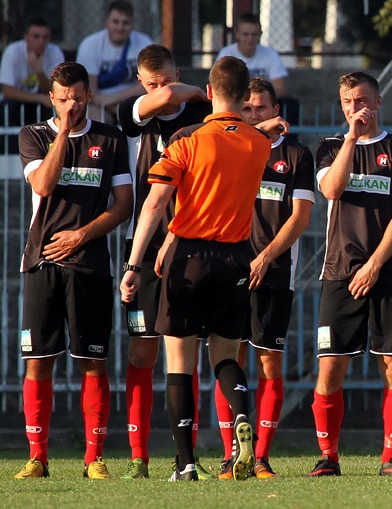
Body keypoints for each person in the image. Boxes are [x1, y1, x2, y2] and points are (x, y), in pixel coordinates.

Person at [119, 56, 271, 481]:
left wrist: (134, 263)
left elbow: (154, 204)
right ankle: (242, 419)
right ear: (245, 97)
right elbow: (249, 141)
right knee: (225, 355)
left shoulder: (187, 139)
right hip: (237, 258)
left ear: (207, 93)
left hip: (189, 257)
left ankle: (185, 463)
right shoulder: (258, 144)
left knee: (179, 363)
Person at [15, 61, 133, 479]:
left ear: (89, 95)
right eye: (63, 99)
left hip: (89, 265)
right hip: (42, 263)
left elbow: (124, 204)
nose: (72, 105)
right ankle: (37, 457)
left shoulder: (111, 138)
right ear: (52, 98)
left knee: (92, 362)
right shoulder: (34, 135)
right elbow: (43, 185)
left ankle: (94, 458)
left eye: (78, 98)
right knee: (38, 362)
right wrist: (63, 132)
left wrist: (81, 235)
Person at [309, 71, 392, 477]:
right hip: (339, 272)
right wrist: (351, 139)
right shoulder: (330, 147)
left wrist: (374, 264)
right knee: (331, 365)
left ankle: (390, 458)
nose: (358, 108)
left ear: (378, 101)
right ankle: (328, 457)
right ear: (342, 107)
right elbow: (333, 191)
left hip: (387, 273)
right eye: (350, 102)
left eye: (364, 100)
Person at [116, 44, 211, 480]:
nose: (161, 89)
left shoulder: (201, 122)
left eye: (167, 79)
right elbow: (162, 101)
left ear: (177, 71)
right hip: (146, 245)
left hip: (191, 243)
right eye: (152, 83)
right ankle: (139, 453)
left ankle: (185, 453)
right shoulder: (135, 117)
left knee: (185, 351)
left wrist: (195, 97)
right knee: (143, 348)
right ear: (141, 82)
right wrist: (189, 90)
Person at [213, 77, 314, 480]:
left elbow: (300, 217)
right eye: (248, 108)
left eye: (262, 108)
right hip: (229, 270)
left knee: (269, 362)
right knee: (228, 359)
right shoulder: (227, 146)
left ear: (277, 110)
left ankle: (261, 458)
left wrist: (267, 256)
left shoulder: (296, 155)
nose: (255, 114)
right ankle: (229, 455)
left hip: (273, 272)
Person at [76, 0, 153, 117]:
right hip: (101, 106)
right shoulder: (90, 45)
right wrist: (113, 109)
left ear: (132, 25)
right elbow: (90, 91)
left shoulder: (144, 42)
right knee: (95, 117)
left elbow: (150, 84)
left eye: (125, 23)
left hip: (135, 103)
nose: (120, 27)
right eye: (115, 22)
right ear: (106, 23)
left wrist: (115, 100)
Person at [216, 13, 289, 99]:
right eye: (245, 34)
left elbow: (280, 88)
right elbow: (220, 87)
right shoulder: (226, 54)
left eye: (254, 34)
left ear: (260, 34)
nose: (250, 39)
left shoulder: (271, 54)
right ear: (237, 34)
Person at [0, 16, 65, 109]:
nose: (41, 41)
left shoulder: (55, 53)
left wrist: (39, 72)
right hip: (18, 103)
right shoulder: (13, 51)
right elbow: (7, 91)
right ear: (26, 37)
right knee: (9, 105)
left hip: (43, 104)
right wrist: (39, 98)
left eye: (45, 37)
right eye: (36, 37)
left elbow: (55, 92)